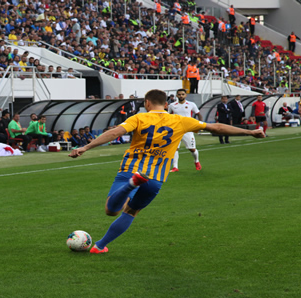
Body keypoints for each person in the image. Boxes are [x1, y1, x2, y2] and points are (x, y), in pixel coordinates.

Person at [68, 89, 265, 254]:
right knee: (132, 211)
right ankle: (100, 246)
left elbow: (114, 133)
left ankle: (131, 185)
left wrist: (86, 147)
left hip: (132, 170)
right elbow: (218, 127)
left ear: (147, 102)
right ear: (165, 103)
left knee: (111, 210)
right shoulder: (180, 120)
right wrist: (250, 132)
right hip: (157, 178)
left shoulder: (139, 117)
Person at [168, 88, 203, 172]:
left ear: (185, 95)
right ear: (176, 95)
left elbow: (198, 114)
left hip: (188, 129)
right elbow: (168, 117)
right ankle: (175, 167)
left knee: (192, 149)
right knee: (175, 148)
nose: (181, 96)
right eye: (179, 94)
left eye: (182, 94)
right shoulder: (172, 105)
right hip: (176, 130)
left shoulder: (191, 104)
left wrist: (200, 124)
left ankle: (196, 161)